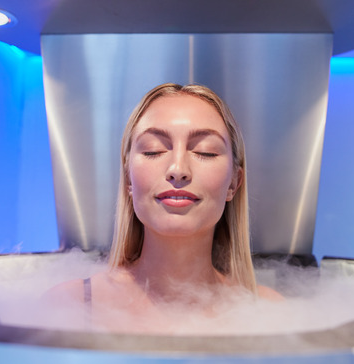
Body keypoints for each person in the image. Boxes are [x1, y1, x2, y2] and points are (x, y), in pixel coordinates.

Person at [40, 83, 283, 334]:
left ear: (234, 183)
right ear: (128, 179)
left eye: (206, 152)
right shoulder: (68, 306)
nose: (178, 169)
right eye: (153, 150)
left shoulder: (269, 313)